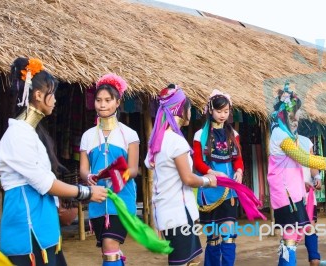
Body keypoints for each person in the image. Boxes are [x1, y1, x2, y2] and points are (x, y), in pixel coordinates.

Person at [0, 57, 108, 266]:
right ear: (38, 95)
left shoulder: (28, 133)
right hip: (28, 233)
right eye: (52, 93)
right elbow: (45, 184)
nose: (55, 99)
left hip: (42, 229)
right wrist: (87, 193)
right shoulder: (18, 136)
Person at [267, 81, 326, 266]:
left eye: (297, 115)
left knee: (290, 240)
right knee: (289, 240)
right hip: (286, 196)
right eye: (294, 115)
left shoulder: (287, 135)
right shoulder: (280, 135)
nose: (297, 119)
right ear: (284, 114)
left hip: (293, 194)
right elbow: (304, 159)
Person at [144, 84, 217, 266]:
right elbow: (188, 179)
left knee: (192, 259)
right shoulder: (176, 141)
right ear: (180, 110)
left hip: (167, 213)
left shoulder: (157, 141)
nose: (191, 113)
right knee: (182, 262)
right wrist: (208, 181)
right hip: (178, 214)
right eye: (189, 109)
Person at [80, 73, 140, 266]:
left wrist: (111, 175)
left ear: (117, 102)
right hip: (97, 201)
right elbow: (83, 169)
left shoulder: (129, 135)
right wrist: (89, 176)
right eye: (98, 100)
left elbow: (133, 169)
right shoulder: (87, 136)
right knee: (108, 250)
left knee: (109, 244)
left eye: (108, 100)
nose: (102, 105)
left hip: (122, 200)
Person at [192, 89, 244, 266]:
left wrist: (239, 171)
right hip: (209, 191)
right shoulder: (200, 135)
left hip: (229, 192)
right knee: (213, 238)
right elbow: (198, 163)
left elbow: (238, 160)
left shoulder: (234, 135)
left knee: (228, 236)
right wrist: (213, 173)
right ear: (210, 110)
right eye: (219, 111)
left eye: (226, 111)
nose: (223, 115)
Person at [298, 134, 326, 266]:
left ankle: (315, 259)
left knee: (311, 226)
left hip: (308, 194)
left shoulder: (306, 141)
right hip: (291, 193)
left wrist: (317, 177)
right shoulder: (281, 140)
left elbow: (312, 163)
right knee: (290, 231)